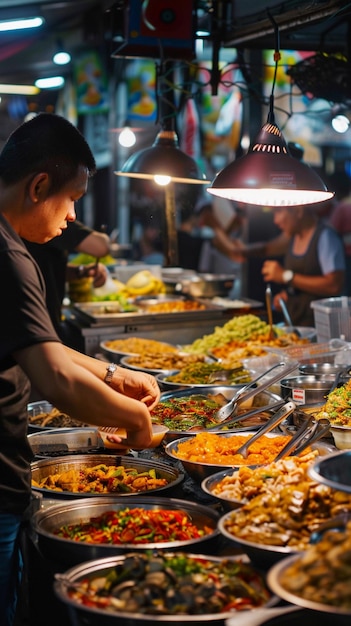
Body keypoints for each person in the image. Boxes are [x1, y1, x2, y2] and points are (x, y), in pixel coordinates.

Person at [0, 112, 160, 626]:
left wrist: (111, 375)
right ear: (40, 185)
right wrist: (136, 423)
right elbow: (56, 379)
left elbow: (36, 346)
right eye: (72, 200)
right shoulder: (9, 256)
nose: (72, 218)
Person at [209, 203, 345, 326]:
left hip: (321, 328)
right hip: (296, 324)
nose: (276, 220)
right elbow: (265, 249)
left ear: (298, 211)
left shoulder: (326, 237)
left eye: (279, 212)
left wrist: (286, 276)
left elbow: (333, 286)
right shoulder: (293, 236)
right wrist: (288, 299)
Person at [23, 220, 110, 340]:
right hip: (38, 325)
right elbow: (101, 246)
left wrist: (80, 271)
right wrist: (105, 237)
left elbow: (43, 266)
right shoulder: (45, 222)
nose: (71, 215)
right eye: (69, 201)